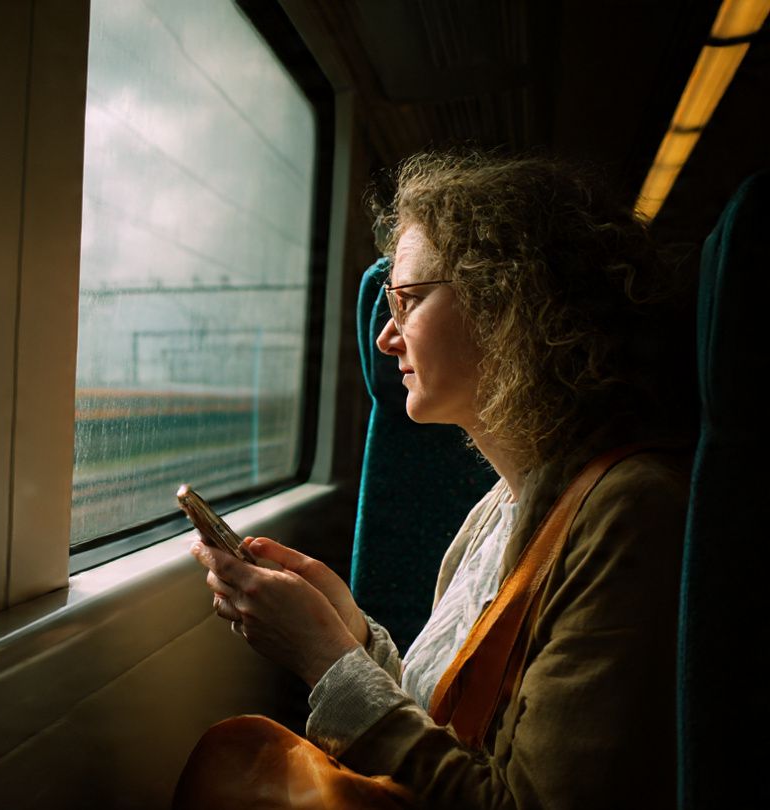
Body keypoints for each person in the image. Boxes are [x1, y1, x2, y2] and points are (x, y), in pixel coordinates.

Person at [182, 152, 698, 807]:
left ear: (508, 303)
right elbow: (458, 731)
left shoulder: (633, 512)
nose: (385, 339)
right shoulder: (506, 503)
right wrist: (348, 632)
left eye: (410, 300)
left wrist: (321, 656)